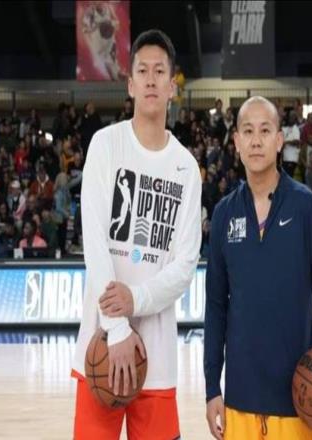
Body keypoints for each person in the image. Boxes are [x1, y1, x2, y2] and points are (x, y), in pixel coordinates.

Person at [204, 96, 312, 440]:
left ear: (280, 141)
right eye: (248, 131)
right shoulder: (223, 214)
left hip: (297, 400)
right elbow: (216, 306)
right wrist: (211, 388)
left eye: (265, 131)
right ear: (236, 142)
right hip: (239, 400)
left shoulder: (305, 207)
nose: (256, 140)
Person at [72, 29, 202, 440]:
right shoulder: (105, 144)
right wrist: (117, 327)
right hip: (101, 345)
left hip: (157, 357)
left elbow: (185, 265)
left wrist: (136, 300)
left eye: (159, 71)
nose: (150, 79)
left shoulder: (186, 167)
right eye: (142, 71)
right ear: (129, 84)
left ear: (172, 85)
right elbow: (95, 241)